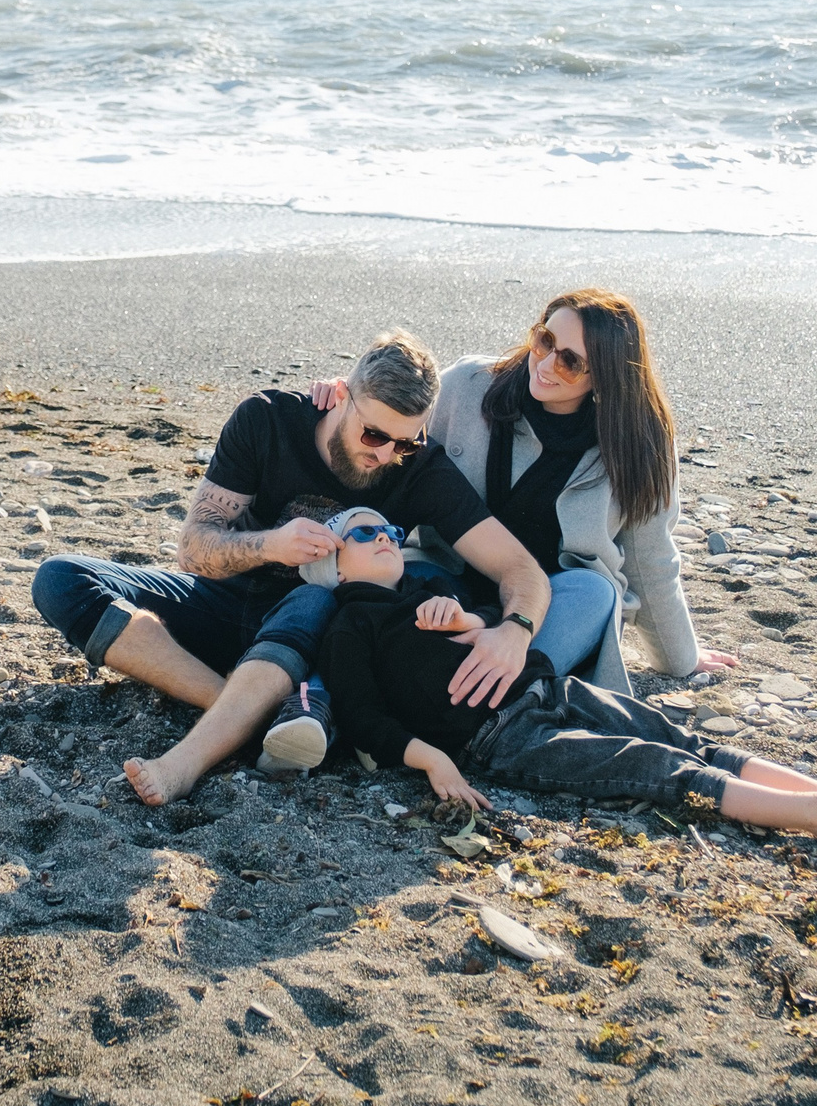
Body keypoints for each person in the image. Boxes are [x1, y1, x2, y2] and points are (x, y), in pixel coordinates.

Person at [28, 330, 554, 807]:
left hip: (327, 643)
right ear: (342, 396)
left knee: (321, 594)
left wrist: (517, 629)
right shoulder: (268, 420)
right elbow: (192, 549)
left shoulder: (421, 469)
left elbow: (519, 569)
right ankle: (238, 708)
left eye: (405, 442)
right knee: (60, 579)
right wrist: (270, 546)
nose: (386, 454)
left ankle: (188, 761)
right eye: (374, 436)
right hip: (228, 605)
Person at [316, 506, 817, 839]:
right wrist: (430, 757)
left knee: (675, 734)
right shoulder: (350, 625)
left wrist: (467, 616)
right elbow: (361, 716)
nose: (386, 538)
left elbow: (497, 618)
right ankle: (813, 816)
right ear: (332, 566)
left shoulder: (429, 586)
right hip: (499, 737)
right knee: (651, 764)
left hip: (547, 686)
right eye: (364, 534)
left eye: (392, 531)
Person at [307, 289, 736, 741]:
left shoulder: (640, 445)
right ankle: (375, 702)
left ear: (607, 376)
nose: (547, 364)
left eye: (570, 361)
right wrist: (343, 399)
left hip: (547, 607)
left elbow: (650, 562)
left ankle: (502, 700)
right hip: (441, 582)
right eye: (544, 341)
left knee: (596, 589)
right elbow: (385, 430)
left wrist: (679, 658)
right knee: (374, 601)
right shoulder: (466, 386)